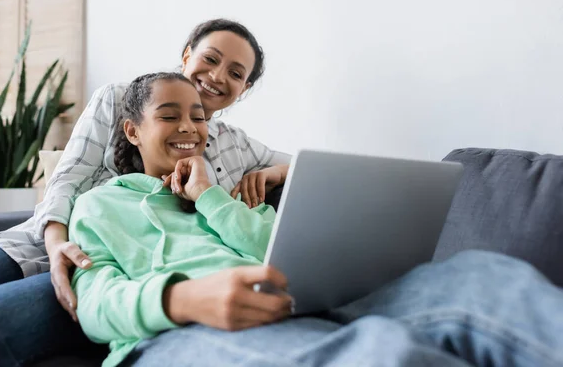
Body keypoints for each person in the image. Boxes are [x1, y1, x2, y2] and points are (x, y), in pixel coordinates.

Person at [71, 72, 563, 367]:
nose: (189, 127)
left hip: (296, 303)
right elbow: (93, 305)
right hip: (174, 336)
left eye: (199, 116)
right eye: (169, 114)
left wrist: (210, 198)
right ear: (133, 130)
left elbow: (279, 249)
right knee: (384, 351)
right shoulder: (99, 205)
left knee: (479, 276)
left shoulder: (227, 194)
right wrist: (182, 298)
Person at [0, 19, 290, 366]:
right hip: (55, 240)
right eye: (210, 59)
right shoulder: (121, 99)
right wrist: (57, 244)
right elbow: (68, 179)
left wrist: (271, 172)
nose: (217, 76)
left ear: (245, 86)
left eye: (236, 73)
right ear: (187, 55)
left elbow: (306, 165)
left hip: (118, 268)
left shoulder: (235, 143)